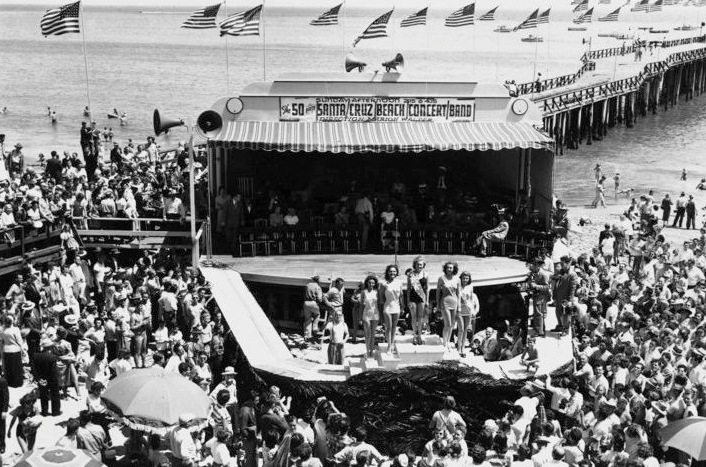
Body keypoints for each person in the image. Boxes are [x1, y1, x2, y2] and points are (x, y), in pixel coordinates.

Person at [378, 264, 403, 355]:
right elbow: (380, 297)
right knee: (388, 327)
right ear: (388, 272)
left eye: (394, 271)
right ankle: (389, 346)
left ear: (396, 273)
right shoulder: (383, 283)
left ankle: (392, 344)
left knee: (394, 328)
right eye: (390, 271)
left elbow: (401, 295)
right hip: (387, 306)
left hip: (397, 307)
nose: (392, 273)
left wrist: (402, 306)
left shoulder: (399, 282)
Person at [437, 262, 460, 351]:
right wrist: (438, 304)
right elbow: (438, 292)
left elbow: (458, 293)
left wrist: (459, 306)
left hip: (454, 302)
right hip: (445, 302)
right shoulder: (441, 278)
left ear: (454, 269)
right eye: (448, 268)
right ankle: (444, 342)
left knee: (452, 325)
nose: (450, 269)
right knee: (447, 324)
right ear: (445, 269)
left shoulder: (457, 279)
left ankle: (448, 341)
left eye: (451, 268)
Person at [407, 256, 429, 345]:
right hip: (413, 297)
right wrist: (408, 300)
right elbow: (408, 288)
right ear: (415, 265)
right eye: (418, 264)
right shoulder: (411, 274)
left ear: (423, 265)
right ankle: (414, 336)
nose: (419, 266)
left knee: (420, 318)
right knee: (414, 317)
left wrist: (427, 300)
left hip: (422, 298)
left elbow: (427, 288)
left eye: (421, 265)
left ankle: (420, 335)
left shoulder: (426, 274)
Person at [457, 271, 479, 357]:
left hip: (468, 310)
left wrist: (473, 310)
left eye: (467, 278)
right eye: (463, 278)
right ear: (461, 278)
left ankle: (463, 348)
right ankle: (459, 347)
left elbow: (471, 299)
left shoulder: (470, 286)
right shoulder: (458, 286)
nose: (465, 280)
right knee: (461, 329)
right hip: (460, 309)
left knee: (466, 330)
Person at [360, 275, 379, 358]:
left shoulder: (377, 292)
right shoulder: (363, 292)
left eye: (373, 283)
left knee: (373, 334)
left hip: (375, 314)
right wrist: (360, 317)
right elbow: (361, 305)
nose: (371, 284)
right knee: (368, 334)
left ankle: (372, 351)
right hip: (366, 313)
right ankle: (367, 351)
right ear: (367, 283)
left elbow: (379, 304)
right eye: (370, 283)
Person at [303, 276, 323, 341]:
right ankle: (315, 327)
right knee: (317, 315)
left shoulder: (307, 285)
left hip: (306, 303)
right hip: (313, 303)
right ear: (318, 281)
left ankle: (307, 336)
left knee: (307, 319)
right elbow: (319, 299)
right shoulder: (318, 287)